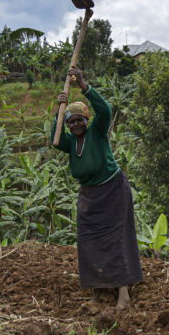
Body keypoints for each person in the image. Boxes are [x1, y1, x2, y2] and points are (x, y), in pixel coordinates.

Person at [51, 66, 143, 311]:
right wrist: (58, 111)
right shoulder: (70, 142)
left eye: (79, 120)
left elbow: (105, 110)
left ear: (87, 120)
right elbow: (55, 139)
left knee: (115, 239)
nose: (75, 125)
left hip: (112, 190)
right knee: (88, 242)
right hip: (89, 196)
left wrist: (82, 84)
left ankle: (123, 293)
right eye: (71, 122)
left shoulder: (97, 132)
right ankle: (97, 290)